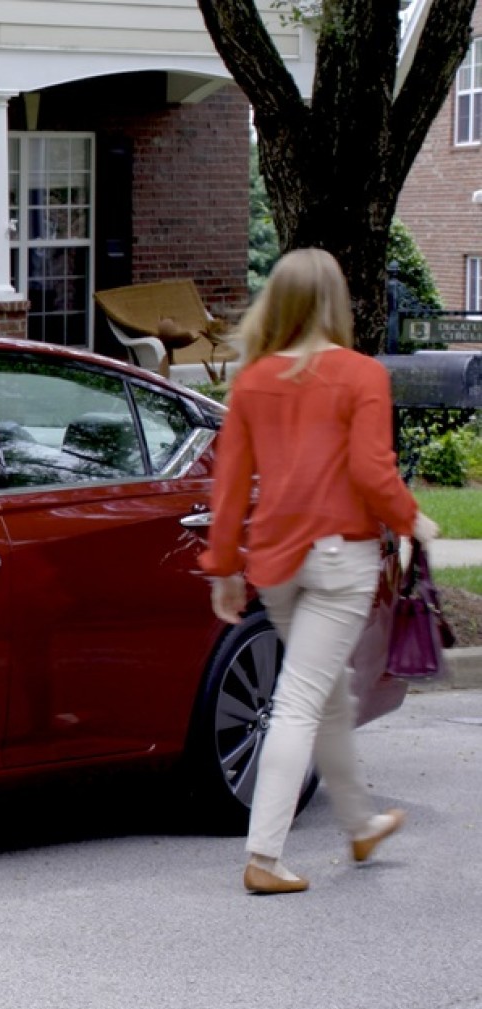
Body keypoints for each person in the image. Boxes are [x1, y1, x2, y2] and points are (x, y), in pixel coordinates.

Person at [200, 248, 437, 895]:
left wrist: (223, 566)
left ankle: (360, 824)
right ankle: (265, 856)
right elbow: (371, 470)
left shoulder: (253, 380)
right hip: (340, 558)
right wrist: (413, 519)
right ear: (335, 303)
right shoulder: (361, 375)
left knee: (326, 694)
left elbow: (229, 484)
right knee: (303, 699)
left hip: (276, 562)